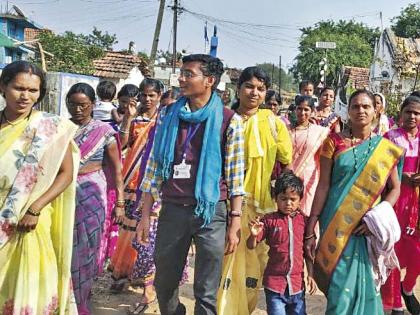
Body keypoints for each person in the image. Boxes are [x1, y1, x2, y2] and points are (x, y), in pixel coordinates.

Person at [137, 54, 245, 315]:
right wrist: (144, 215)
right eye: (181, 73)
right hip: (173, 209)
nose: (181, 79)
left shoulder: (230, 120)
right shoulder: (168, 115)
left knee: (206, 291)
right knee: (164, 284)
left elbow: (235, 177)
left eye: (188, 74)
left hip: (211, 211)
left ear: (209, 81)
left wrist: (235, 221)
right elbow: (153, 169)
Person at [304, 89, 404, 315]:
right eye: (355, 106)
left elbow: (395, 188)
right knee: (339, 286)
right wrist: (312, 224)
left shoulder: (384, 148)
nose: (361, 111)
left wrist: (376, 220)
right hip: (335, 224)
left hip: (366, 228)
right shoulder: (334, 142)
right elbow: (323, 185)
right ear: (348, 111)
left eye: (366, 106)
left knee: (365, 282)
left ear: (375, 111)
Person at [0, 61, 79, 314]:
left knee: (22, 290)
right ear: (3, 87)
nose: (25, 96)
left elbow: (66, 173)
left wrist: (35, 208)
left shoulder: (50, 128)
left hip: (26, 223)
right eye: (18, 88)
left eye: (33, 91)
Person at [218, 66, 293, 315]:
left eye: (261, 89)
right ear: (237, 88)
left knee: (253, 263)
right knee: (223, 260)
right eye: (249, 86)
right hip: (225, 204)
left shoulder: (274, 123)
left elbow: (286, 159)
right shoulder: (225, 119)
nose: (254, 93)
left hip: (260, 206)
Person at [67, 82, 124, 315]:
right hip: (63, 193)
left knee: (88, 247)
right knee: (65, 246)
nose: (77, 109)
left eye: (83, 105)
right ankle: (67, 296)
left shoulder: (105, 133)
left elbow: (117, 170)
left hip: (92, 192)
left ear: (92, 104)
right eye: (72, 104)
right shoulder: (60, 128)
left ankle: (82, 297)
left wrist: (120, 203)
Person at [247, 171, 317, 315]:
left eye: (293, 199)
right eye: (283, 198)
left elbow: (308, 251)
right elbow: (251, 245)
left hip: (297, 286)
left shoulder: (304, 221)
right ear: (276, 199)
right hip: (275, 286)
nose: (288, 203)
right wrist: (253, 235)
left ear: (300, 200)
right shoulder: (269, 220)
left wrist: (311, 274)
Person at [381, 95, 420, 315]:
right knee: (394, 251)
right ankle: (395, 302)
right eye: (409, 112)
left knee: (417, 252)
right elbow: (379, 170)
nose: (412, 116)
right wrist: (398, 176)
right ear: (401, 113)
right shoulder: (390, 137)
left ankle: (407, 287)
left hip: (418, 204)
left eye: (417, 113)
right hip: (397, 201)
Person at [108, 83, 142, 292]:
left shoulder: (162, 122)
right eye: (144, 95)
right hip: (129, 179)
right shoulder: (133, 120)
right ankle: (122, 271)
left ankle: (141, 274)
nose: (147, 99)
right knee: (126, 229)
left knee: (144, 230)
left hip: (149, 185)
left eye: (151, 95)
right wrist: (129, 119)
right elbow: (122, 143)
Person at [289, 95, 329, 216]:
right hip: (289, 178)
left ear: (312, 111)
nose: (302, 112)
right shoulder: (286, 130)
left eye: (306, 109)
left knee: (308, 211)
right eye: (299, 109)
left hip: (310, 179)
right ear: (295, 110)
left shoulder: (320, 132)